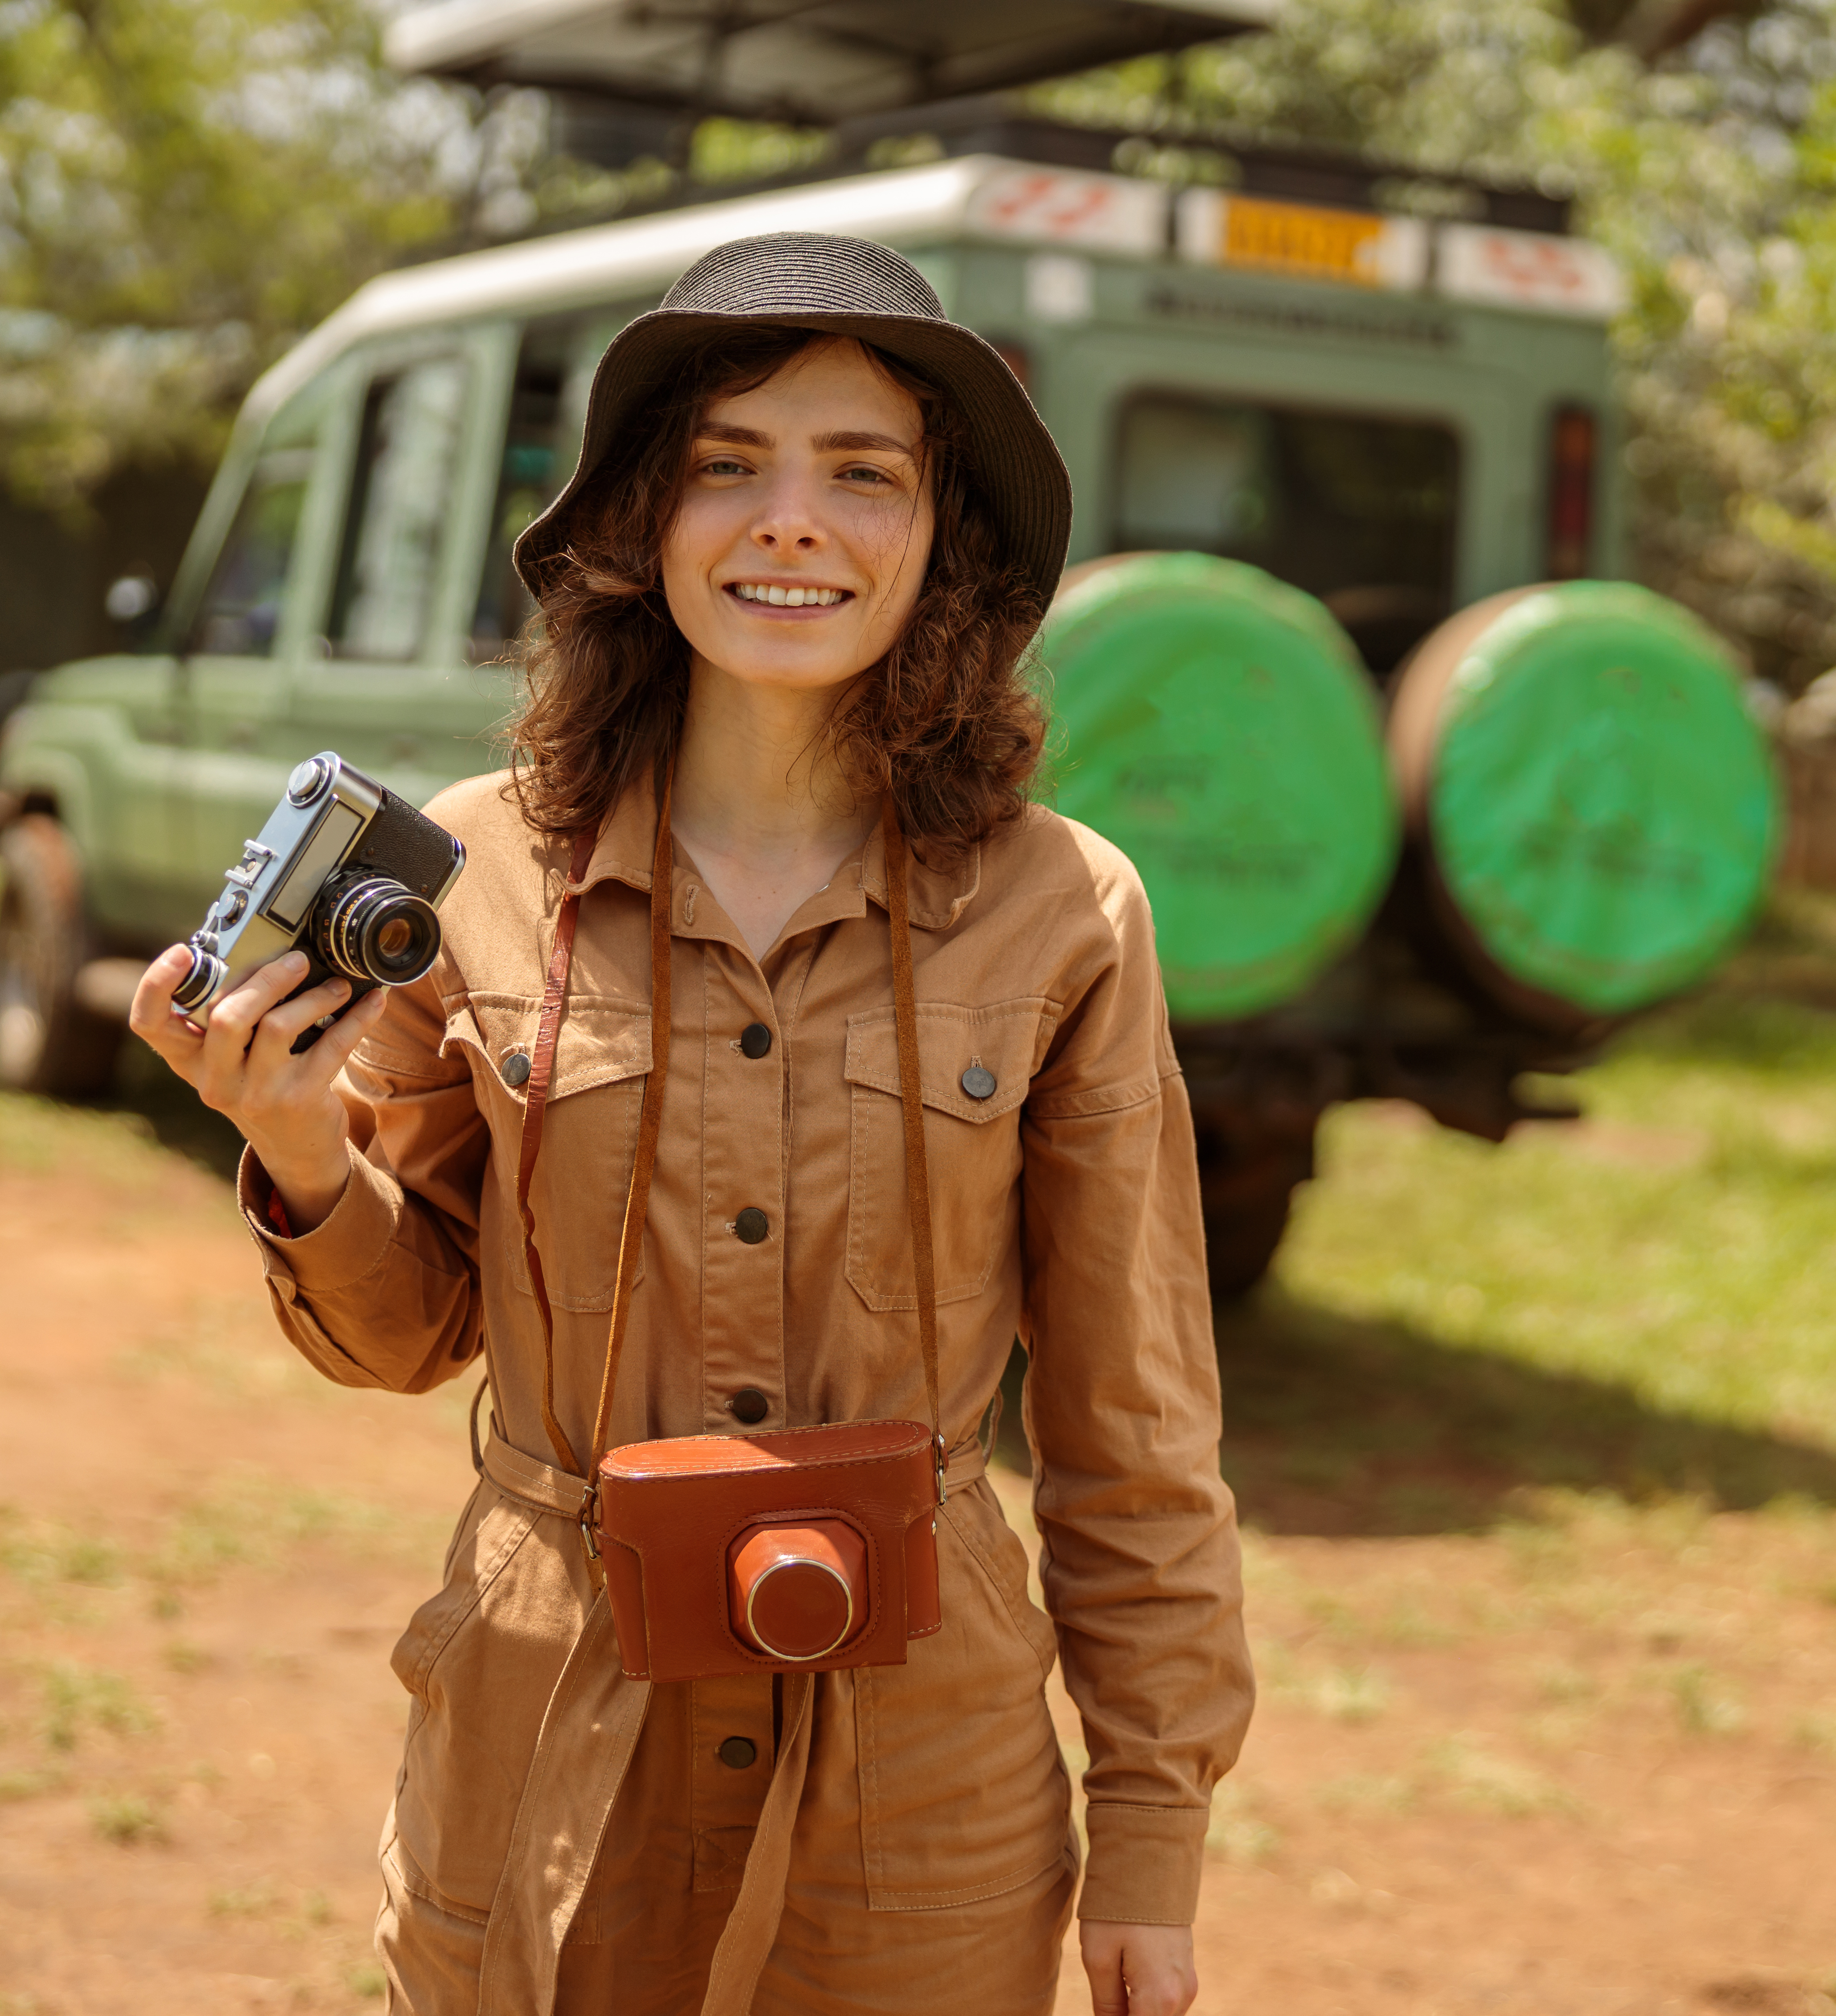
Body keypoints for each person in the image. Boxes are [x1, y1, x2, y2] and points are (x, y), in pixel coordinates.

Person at [130, 233, 1252, 2016]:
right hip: (548, 1733)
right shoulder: (479, 870)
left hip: (923, 1780)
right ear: (645, 525)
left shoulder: (1063, 911)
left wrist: (1151, 1834)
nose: (789, 520)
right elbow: (413, 1329)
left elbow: (1136, 1421)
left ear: (939, 541)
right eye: (729, 463)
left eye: (859, 474)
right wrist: (294, 1149)